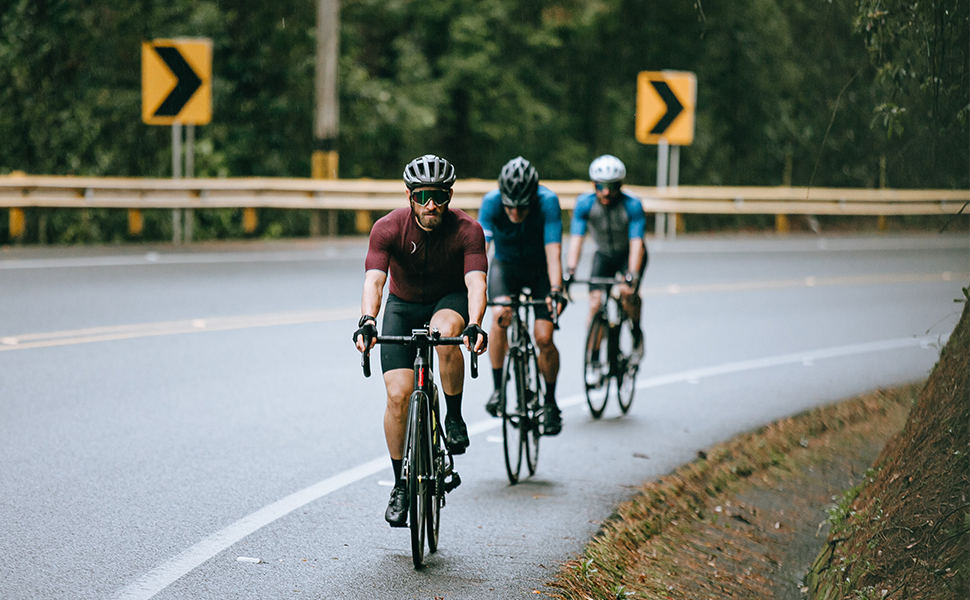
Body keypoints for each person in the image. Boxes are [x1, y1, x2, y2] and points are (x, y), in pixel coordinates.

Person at [353, 154, 488, 527]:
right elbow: (374, 281)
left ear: (450, 196)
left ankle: (455, 417)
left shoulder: (467, 230)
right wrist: (367, 320)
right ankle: (400, 486)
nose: (433, 205)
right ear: (411, 195)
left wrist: (474, 323)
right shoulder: (387, 228)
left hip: (448, 303)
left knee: (445, 333)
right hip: (403, 305)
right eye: (425, 195)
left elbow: (476, 283)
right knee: (398, 396)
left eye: (441, 196)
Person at [478, 156, 566, 435]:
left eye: (522, 206)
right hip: (506, 267)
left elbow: (554, 252)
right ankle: (497, 390)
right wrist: (474, 289)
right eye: (510, 206)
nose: (515, 212)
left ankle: (550, 403)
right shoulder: (491, 202)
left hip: (539, 269)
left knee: (544, 337)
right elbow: (481, 252)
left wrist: (555, 290)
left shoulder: (548, 202)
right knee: (500, 315)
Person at [564, 154, 647, 360]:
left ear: (621, 185)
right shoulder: (584, 204)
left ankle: (636, 332)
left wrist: (632, 273)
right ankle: (593, 357)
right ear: (594, 185)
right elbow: (577, 239)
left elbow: (637, 243)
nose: (607, 192)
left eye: (613, 186)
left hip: (629, 255)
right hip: (604, 255)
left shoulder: (632, 205)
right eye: (601, 186)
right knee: (595, 304)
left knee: (627, 292)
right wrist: (570, 270)